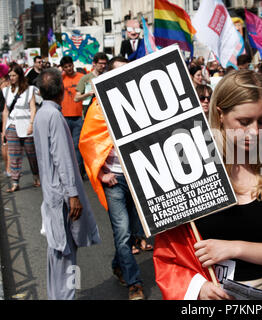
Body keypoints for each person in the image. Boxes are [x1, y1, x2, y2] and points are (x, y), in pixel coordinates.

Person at [153, 70, 262, 300]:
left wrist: (234, 248)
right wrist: (197, 288)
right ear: (220, 114)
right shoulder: (192, 172)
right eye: (244, 122)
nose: (254, 132)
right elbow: (168, 255)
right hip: (212, 295)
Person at [78, 56, 147, 300]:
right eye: (114, 71)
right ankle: (134, 283)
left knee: (135, 232)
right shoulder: (98, 106)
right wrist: (102, 173)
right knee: (123, 232)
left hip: (138, 179)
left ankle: (119, 266)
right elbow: (87, 142)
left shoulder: (141, 99)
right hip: (115, 181)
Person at [33, 68, 100, 300]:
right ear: (62, 90)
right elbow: (62, 158)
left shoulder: (42, 114)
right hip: (62, 195)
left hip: (52, 193)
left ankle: (57, 295)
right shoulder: (53, 116)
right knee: (67, 252)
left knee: (58, 250)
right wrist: (72, 194)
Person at [1, 64, 40, 192]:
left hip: (27, 126)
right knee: (14, 155)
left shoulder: (29, 90)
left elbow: (33, 108)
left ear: (19, 76)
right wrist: (4, 130)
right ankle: (15, 182)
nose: (11, 78)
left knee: (32, 154)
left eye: (14, 75)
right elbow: (6, 111)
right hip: (12, 126)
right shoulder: (6, 91)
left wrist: (31, 124)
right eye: (10, 75)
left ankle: (36, 177)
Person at [60, 56, 85, 177]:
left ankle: (78, 172)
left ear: (73, 65)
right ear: (63, 68)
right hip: (64, 117)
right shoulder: (61, 79)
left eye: (70, 65)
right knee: (66, 147)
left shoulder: (81, 77)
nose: (69, 68)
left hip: (79, 117)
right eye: (66, 67)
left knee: (76, 146)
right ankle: (69, 171)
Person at [0, 63, 10, 177]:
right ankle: (8, 169)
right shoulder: (6, 86)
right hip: (4, 114)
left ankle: (8, 169)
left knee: (3, 143)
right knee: (7, 142)